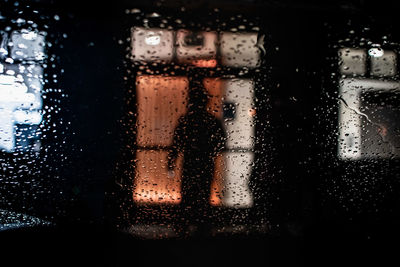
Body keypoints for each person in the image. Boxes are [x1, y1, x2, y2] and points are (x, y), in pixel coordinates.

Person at [167, 71, 226, 238]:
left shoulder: (187, 121)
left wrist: (171, 162)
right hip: (204, 161)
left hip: (191, 161)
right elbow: (221, 141)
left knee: (188, 194)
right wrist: (211, 153)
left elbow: (176, 144)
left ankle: (184, 227)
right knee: (202, 193)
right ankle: (201, 227)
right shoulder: (210, 120)